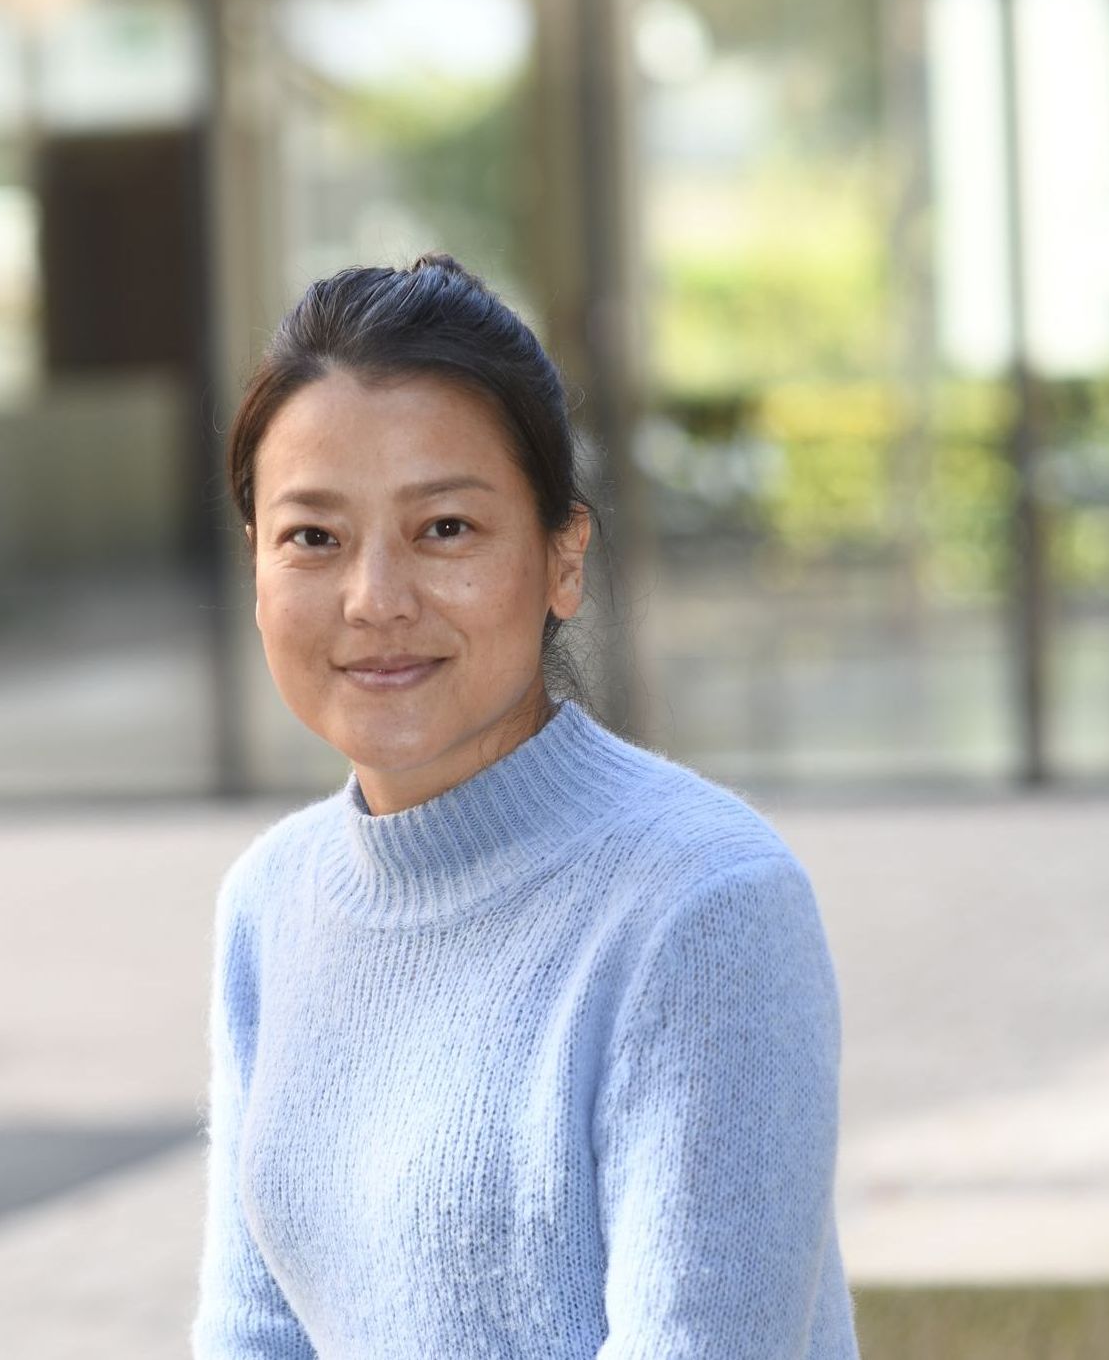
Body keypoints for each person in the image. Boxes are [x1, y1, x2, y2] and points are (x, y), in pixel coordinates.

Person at [190, 252, 861, 1358]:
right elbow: (251, 1335)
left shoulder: (706, 905)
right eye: (314, 537)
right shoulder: (270, 901)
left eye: (445, 528)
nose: (375, 599)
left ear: (563, 558)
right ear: (257, 566)